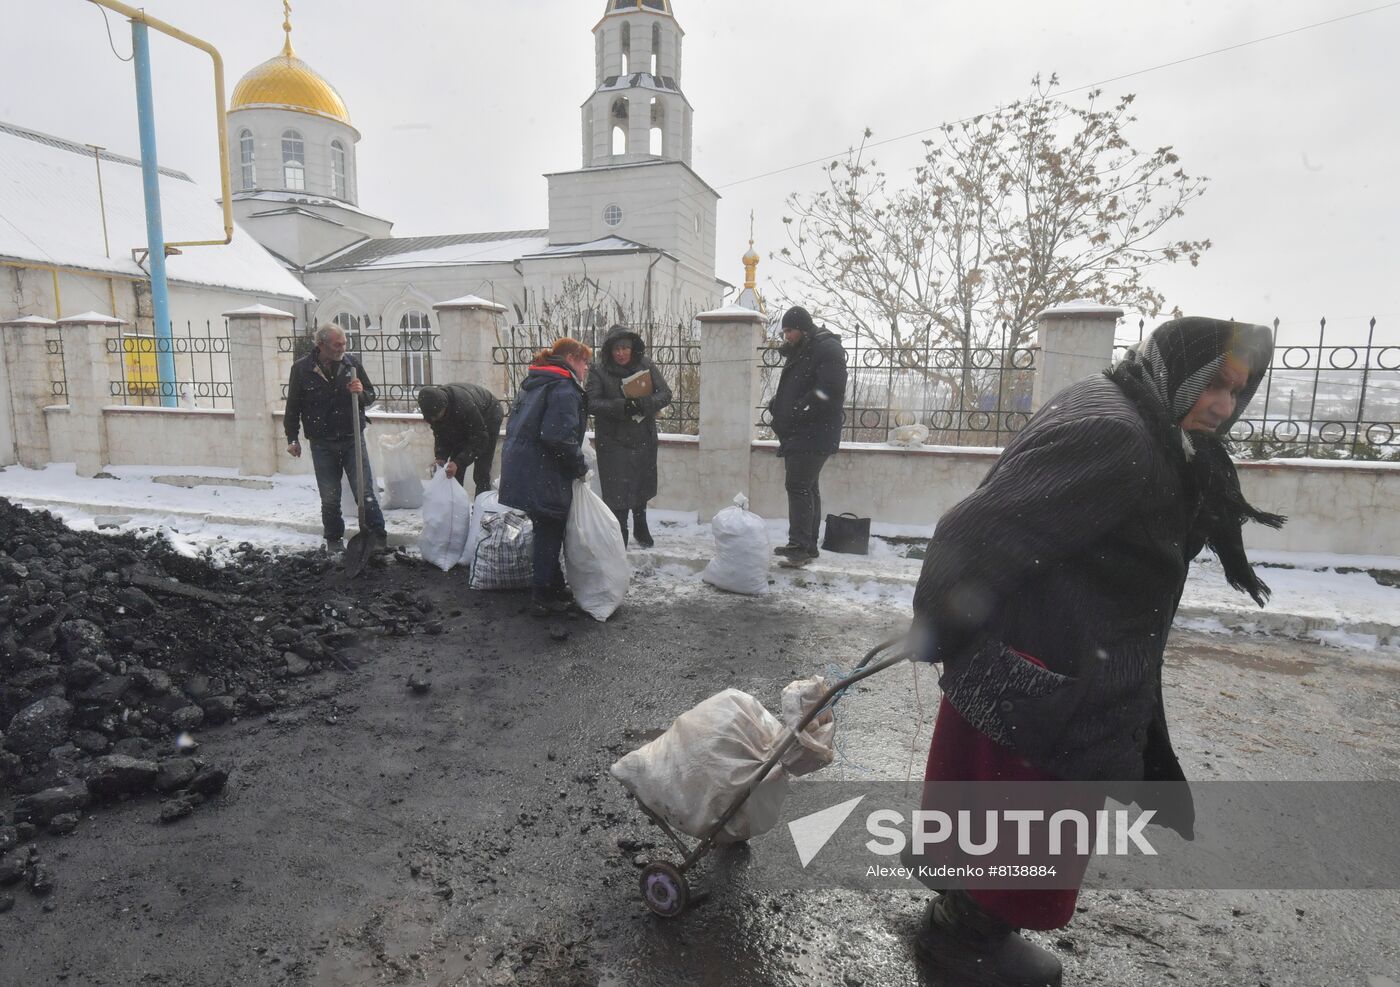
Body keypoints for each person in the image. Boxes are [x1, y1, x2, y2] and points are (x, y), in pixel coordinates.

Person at [907, 317, 1282, 986]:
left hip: (1043, 666)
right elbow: (982, 526)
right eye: (1216, 385)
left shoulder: (1137, 413)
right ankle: (967, 942)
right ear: (1182, 370)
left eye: (1238, 391)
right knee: (1021, 825)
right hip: (1048, 685)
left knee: (993, 817)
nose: (1225, 405)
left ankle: (961, 921)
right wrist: (942, 619)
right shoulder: (1121, 434)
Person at [498, 338, 592, 617]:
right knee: (549, 529)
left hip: (524, 466)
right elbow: (557, 437)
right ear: (572, 358)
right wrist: (579, 466)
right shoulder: (563, 387)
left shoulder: (537, 381)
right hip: (544, 469)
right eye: (585, 361)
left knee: (545, 526)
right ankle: (542, 594)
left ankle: (553, 583)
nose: (586, 368)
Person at [284, 324, 388, 553]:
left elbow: (370, 396)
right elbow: (293, 407)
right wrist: (292, 437)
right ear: (320, 345)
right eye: (337, 344)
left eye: (344, 343)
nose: (343, 348)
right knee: (330, 496)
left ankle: (378, 538)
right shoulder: (302, 369)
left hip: (352, 438)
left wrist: (360, 392)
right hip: (322, 442)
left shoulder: (351, 364)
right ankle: (333, 539)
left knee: (365, 491)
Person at [765, 305, 847, 566]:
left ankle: (800, 547)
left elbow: (830, 391)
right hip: (805, 432)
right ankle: (807, 546)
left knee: (798, 486)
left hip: (813, 433)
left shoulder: (826, 349)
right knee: (807, 487)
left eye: (789, 331)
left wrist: (797, 409)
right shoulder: (807, 348)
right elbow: (800, 383)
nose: (786, 336)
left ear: (801, 328)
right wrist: (780, 403)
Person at [585, 325, 674, 548]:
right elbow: (591, 403)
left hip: (643, 435)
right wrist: (621, 406)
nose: (621, 353)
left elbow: (665, 394)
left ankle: (640, 523)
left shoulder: (645, 365)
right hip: (613, 439)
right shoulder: (598, 370)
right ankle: (620, 529)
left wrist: (644, 404)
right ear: (609, 350)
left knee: (642, 483)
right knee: (617, 489)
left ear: (633, 348)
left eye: (625, 348)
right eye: (616, 349)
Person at [416, 383, 504, 496]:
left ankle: (481, 507)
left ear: (445, 407)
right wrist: (440, 457)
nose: (435, 419)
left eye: (437, 416)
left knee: (481, 469)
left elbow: (480, 439)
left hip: (490, 414)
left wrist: (459, 462)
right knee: (453, 469)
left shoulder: (464, 405)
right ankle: (453, 506)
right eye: (432, 417)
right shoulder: (432, 412)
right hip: (465, 419)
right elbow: (440, 435)